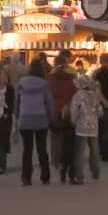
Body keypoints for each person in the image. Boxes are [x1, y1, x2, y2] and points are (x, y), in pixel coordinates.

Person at [16, 59, 54, 186]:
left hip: (25, 118)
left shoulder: (22, 82)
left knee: (27, 150)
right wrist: (51, 118)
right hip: (40, 118)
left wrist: (17, 116)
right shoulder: (44, 84)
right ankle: (45, 176)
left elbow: (17, 101)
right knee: (42, 149)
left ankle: (26, 178)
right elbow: (49, 103)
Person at [47, 55, 77, 183]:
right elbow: (74, 96)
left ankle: (56, 160)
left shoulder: (49, 79)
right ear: (66, 65)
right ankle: (67, 169)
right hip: (67, 113)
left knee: (55, 138)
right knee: (68, 143)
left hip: (54, 112)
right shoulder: (71, 79)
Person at [70, 75, 102, 184]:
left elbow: (74, 112)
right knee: (94, 150)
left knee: (80, 152)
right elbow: (100, 112)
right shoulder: (94, 96)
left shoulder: (77, 96)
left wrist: (73, 121)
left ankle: (79, 176)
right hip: (93, 127)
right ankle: (96, 171)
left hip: (81, 127)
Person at [5, 53, 27, 144]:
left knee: (10, 112)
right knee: (17, 112)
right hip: (20, 92)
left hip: (9, 92)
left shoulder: (6, 68)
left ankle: (12, 129)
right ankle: (17, 129)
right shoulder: (25, 68)